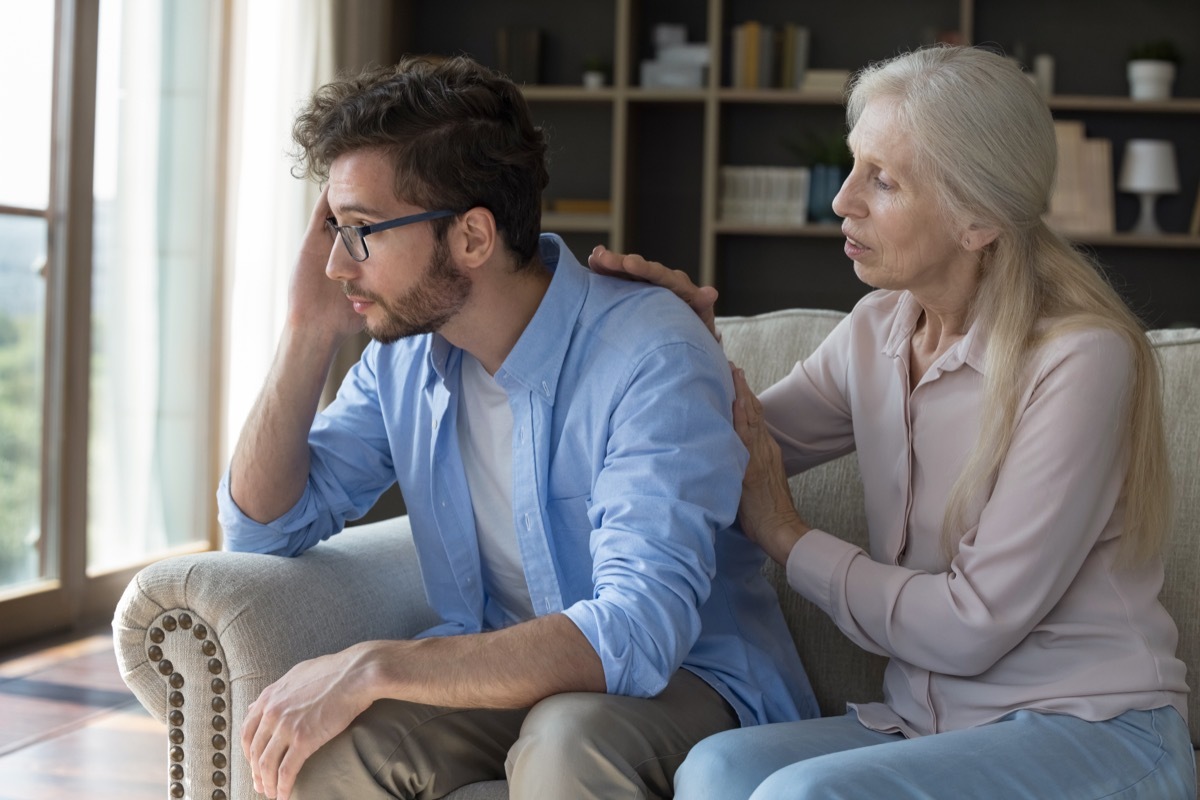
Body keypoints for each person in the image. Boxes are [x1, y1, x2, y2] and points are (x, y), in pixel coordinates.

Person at [589, 45, 1195, 799]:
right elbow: (724, 451)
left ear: (977, 219)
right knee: (714, 769)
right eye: (854, 166)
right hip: (928, 728)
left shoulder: (1080, 359)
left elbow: (972, 626)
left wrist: (786, 535)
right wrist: (683, 342)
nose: (843, 200)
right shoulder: (876, 330)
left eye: (883, 179)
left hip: (1093, 732)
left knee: (798, 796)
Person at [218, 55, 818, 800]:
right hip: (505, 677)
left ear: (472, 238)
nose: (338, 263)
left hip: (691, 682)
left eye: (363, 230)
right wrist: (306, 330)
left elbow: (637, 632)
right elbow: (263, 529)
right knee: (326, 752)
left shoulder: (652, 356)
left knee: (567, 738)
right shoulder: (405, 360)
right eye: (336, 229)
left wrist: (376, 666)